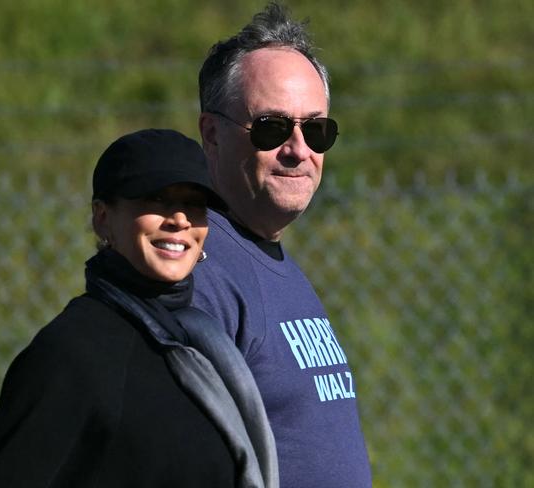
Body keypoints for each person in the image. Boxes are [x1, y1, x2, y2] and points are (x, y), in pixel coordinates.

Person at [0, 129, 278, 487]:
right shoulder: (72, 353)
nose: (179, 219)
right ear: (103, 218)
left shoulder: (203, 341)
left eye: (194, 204)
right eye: (156, 199)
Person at [192, 3, 372, 487]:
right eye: (272, 127)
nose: (298, 150)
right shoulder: (199, 269)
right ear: (212, 134)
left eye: (315, 129)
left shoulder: (267, 257)